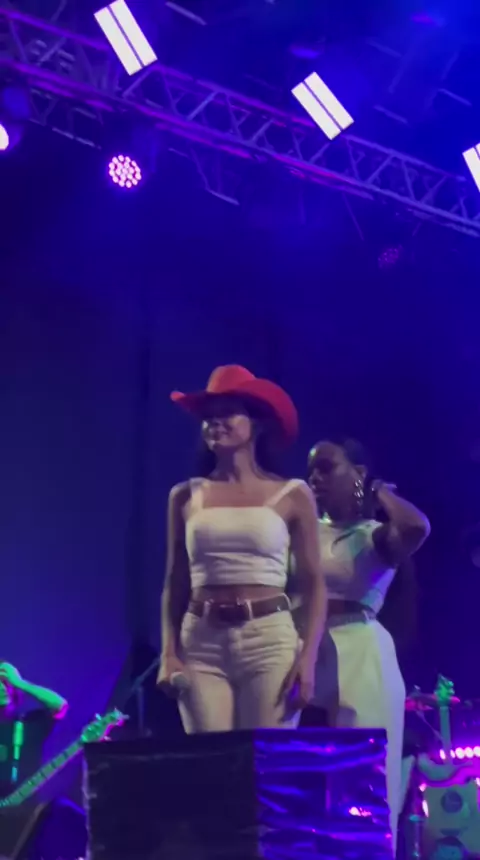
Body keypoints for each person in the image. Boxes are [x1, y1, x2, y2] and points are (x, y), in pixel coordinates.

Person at [157, 364, 326, 733]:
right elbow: (175, 581)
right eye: (208, 417)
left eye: (228, 413)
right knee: (211, 760)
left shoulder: (293, 494)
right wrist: (169, 652)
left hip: (269, 640)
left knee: (265, 760)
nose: (215, 423)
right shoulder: (185, 495)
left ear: (257, 424)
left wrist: (308, 658)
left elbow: (314, 584)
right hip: (201, 641)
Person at [304, 439, 430, 855]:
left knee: (367, 779)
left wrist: (376, 490)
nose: (315, 477)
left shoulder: (372, 536)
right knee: (304, 780)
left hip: (360, 649)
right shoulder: (301, 530)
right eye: (311, 470)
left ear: (357, 473)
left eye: (327, 467)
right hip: (305, 651)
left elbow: (415, 527)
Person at [0, 662, 68, 800]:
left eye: (5, 682)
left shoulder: (29, 723)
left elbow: (59, 705)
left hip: (23, 807)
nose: (2, 687)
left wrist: (20, 683)